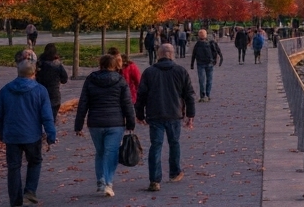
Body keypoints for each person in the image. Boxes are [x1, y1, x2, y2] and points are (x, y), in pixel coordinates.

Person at [0, 59, 57, 207]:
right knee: (35, 161)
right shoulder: (40, 90)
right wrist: (51, 134)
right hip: (32, 135)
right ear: (34, 73)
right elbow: (46, 115)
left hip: (12, 135)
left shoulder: (6, 90)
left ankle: (15, 202)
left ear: (18, 72)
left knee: (13, 167)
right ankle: (29, 191)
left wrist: (0, 133)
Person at [74, 53, 135, 197]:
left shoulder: (90, 80)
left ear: (100, 64)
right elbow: (127, 103)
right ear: (114, 66)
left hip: (95, 122)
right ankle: (108, 182)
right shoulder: (120, 80)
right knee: (111, 152)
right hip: (115, 122)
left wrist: (78, 124)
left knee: (100, 152)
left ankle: (100, 181)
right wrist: (131, 122)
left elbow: (83, 103)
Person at [135, 43, 195, 192]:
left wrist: (139, 114)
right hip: (174, 113)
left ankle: (154, 180)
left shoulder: (149, 72)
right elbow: (189, 95)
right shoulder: (180, 71)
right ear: (172, 54)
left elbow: (141, 95)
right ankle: (174, 173)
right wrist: (190, 115)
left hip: (155, 114)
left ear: (159, 54)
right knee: (174, 143)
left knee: (156, 145)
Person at [35, 44, 69, 123]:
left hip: (40, 93)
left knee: (39, 118)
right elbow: (64, 79)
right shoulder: (57, 65)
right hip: (54, 95)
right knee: (51, 120)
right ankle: (50, 133)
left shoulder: (40, 63)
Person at [189, 29, 222, 101]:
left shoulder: (197, 44)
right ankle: (208, 94)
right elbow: (216, 51)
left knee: (202, 80)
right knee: (209, 80)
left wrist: (192, 64)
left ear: (198, 36)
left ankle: (203, 95)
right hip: (210, 63)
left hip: (200, 64)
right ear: (206, 35)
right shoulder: (210, 43)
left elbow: (194, 54)